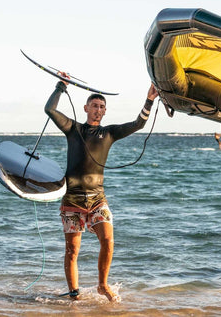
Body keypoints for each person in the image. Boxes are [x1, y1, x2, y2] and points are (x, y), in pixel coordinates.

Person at [45, 78, 158, 301]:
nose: (98, 110)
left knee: (108, 240)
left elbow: (139, 124)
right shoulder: (73, 129)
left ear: (105, 112)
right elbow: (49, 109)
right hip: (72, 201)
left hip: (98, 199)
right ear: (86, 108)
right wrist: (61, 86)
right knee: (72, 250)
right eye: (94, 106)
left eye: (102, 107)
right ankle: (74, 293)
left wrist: (149, 100)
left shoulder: (110, 133)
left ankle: (102, 285)